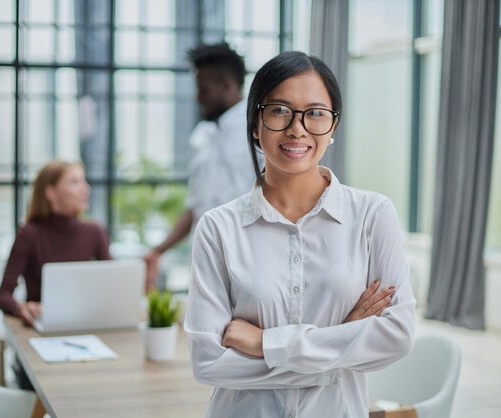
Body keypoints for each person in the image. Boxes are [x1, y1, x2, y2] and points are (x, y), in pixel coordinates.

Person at [184, 51, 416, 418]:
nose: (297, 128)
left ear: (333, 127)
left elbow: (396, 336)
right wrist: (341, 343)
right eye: (279, 110)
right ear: (255, 123)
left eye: (315, 113)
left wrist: (266, 344)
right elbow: (209, 362)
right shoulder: (218, 228)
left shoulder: (373, 215)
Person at [143, 42, 262, 290]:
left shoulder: (260, 131)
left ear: (227, 86)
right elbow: (195, 206)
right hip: (204, 260)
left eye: (203, 89)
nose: (198, 98)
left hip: (250, 261)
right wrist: (158, 251)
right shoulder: (202, 136)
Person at [0, 160, 111, 327]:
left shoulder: (95, 232)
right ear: (51, 192)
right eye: (74, 182)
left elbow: (113, 283)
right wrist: (21, 308)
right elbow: (3, 295)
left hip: (85, 325)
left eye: (84, 181)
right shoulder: (29, 234)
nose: (86, 189)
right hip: (41, 328)